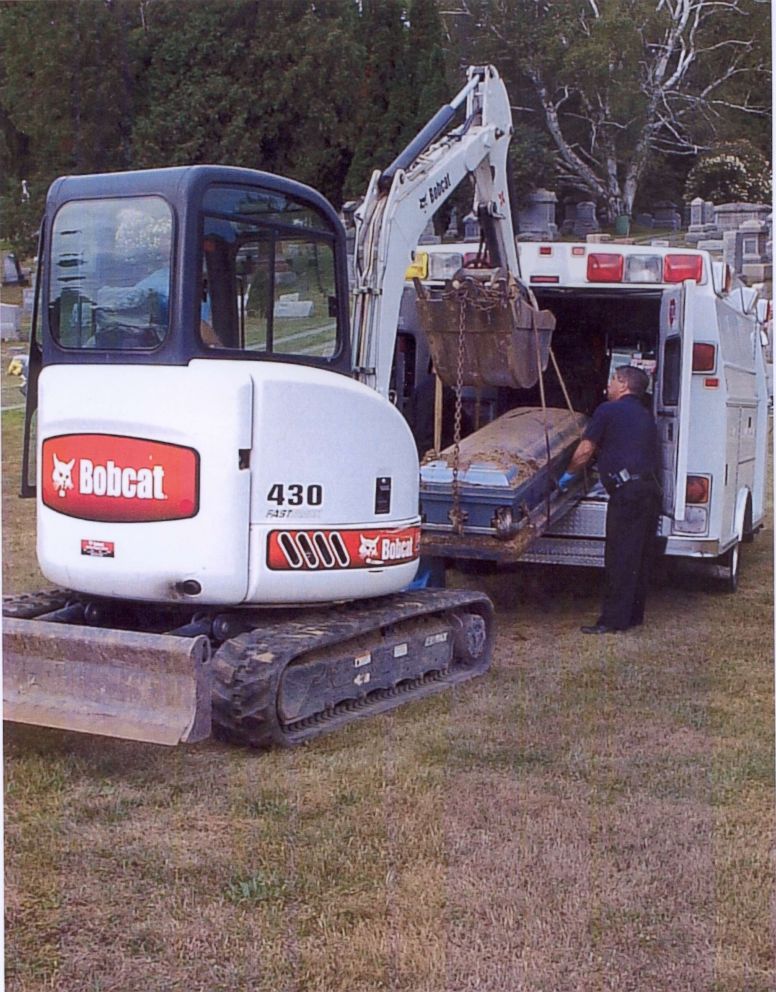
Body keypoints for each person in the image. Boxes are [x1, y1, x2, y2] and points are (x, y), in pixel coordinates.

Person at [558, 364, 659, 634]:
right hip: (649, 491)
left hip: (626, 494)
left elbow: (584, 451)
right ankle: (633, 615)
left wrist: (566, 477)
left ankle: (612, 621)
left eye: (613, 380)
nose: (609, 385)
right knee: (639, 557)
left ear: (624, 384)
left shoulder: (607, 410)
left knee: (619, 557)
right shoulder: (646, 414)